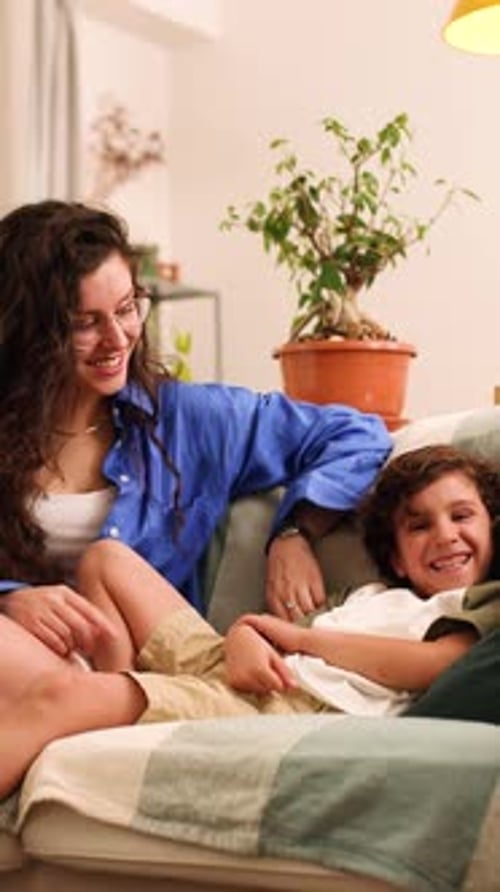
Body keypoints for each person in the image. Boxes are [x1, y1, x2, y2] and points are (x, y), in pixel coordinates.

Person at [0, 199, 391, 669]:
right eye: (84, 323)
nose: (119, 338)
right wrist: (9, 602)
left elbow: (355, 434)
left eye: (126, 309)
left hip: (130, 675)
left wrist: (295, 530)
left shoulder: (188, 421)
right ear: (28, 330)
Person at [1, 443, 499, 799]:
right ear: (394, 557)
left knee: (62, 695)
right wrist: (245, 633)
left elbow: (434, 664)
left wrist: (291, 637)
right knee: (106, 558)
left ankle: (106, 704)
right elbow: (273, 629)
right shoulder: (371, 596)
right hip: (245, 663)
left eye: (462, 516)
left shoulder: (478, 602)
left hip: (286, 703)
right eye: (419, 525)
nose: (445, 535)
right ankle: (121, 701)